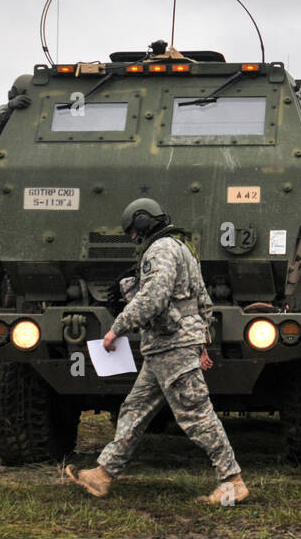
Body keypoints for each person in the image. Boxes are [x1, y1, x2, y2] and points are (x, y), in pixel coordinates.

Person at [64, 198, 248, 505]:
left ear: (141, 223)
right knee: (134, 411)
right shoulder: (182, 248)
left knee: (196, 415)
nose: (133, 240)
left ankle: (233, 482)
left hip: (172, 346)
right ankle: (102, 475)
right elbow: (202, 301)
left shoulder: (160, 250)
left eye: (132, 233)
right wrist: (200, 343)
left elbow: (153, 298)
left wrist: (115, 329)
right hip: (166, 347)